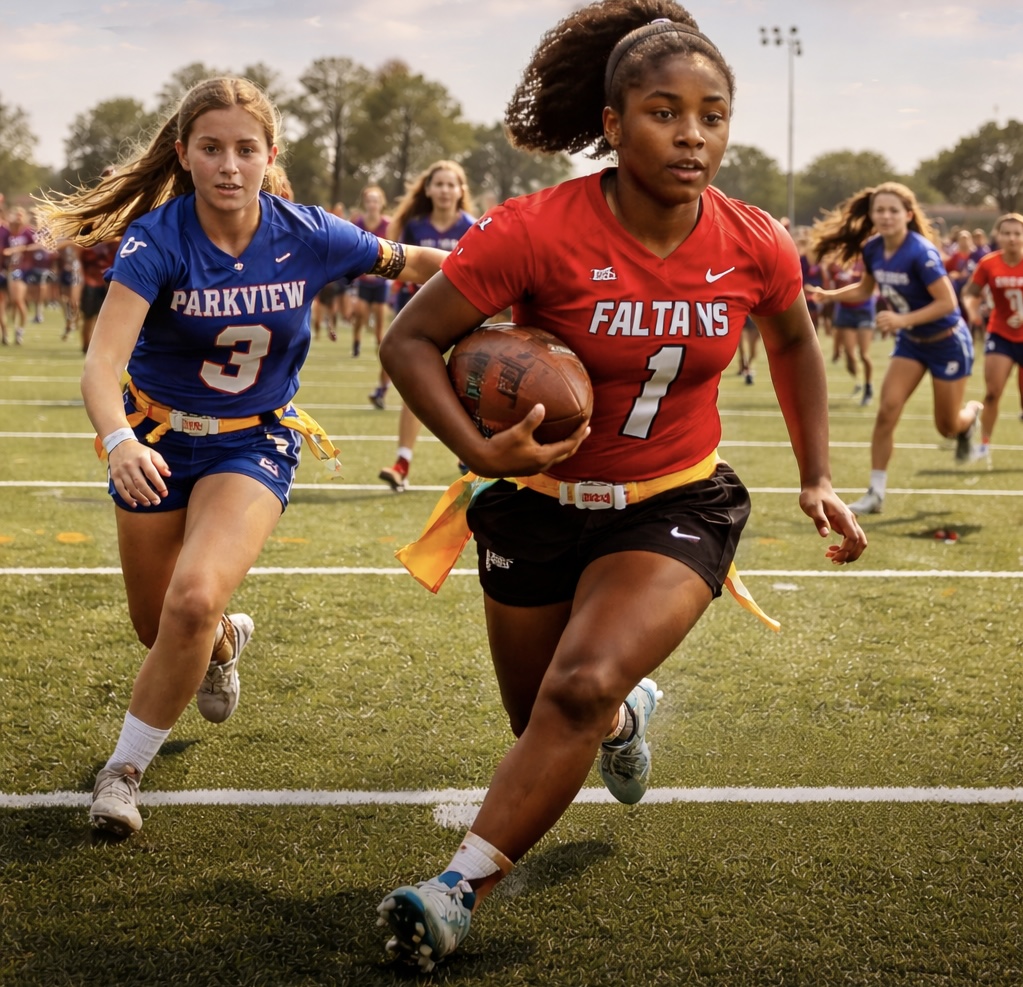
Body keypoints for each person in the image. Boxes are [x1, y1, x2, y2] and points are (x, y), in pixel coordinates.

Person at [373, 1, 867, 970]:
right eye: (663, 111)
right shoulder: (534, 230)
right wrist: (483, 450)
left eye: (712, 113)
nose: (692, 134)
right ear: (612, 122)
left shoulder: (752, 239)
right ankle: (627, 717)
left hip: (675, 499)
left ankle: (455, 889)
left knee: (580, 683)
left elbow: (799, 341)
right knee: (544, 719)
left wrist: (816, 476)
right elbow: (409, 340)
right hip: (538, 505)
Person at [37, 76, 446, 838]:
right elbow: (101, 363)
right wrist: (118, 440)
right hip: (154, 440)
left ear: (270, 155)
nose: (230, 164)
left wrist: (520, 274)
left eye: (245, 149)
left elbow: (416, 260)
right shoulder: (155, 240)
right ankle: (226, 641)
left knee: (190, 599)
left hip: (253, 441)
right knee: (160, 627)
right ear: (185, 155)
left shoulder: (312, 231)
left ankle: (122, 771)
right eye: (212, 148)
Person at [807, 183, 981, 516]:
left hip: (946, 343)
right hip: (912, 344)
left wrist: (902, 319)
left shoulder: (921, 252)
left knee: (947, 426)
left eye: (893, 210)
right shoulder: (873, 249)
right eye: (879, 210)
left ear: (908, 215)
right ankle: (876, 493)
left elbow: (948, 303)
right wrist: (831, 296)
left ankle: (970, 416)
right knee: (887, 411)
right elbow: (866, 289)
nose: (885, 216)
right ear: (872, 215)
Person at [377, 161, 476, 491]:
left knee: (472, 388)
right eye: (440, 184)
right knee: (415, 387)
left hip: (463, 319)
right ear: (429, 189)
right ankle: (402, 462)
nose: (446, 190)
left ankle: (471, 454)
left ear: (461, 191)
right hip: (422, 321)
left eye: (452, 184)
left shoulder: (473, 226)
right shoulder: (415, 227)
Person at [961, 212, 1023, 463]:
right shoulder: (988, 263)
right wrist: (973, 311)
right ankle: (984, 444)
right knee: (992, 392)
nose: (1012, 238)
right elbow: (969, 293)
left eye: (1017, 233)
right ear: (997, 235)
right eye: (1006, 233)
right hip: (1000, 333)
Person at [348, 186, 394, 406]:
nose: (373, 204)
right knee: (360, 316)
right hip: (363, 282)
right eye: (369, 200)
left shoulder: (389, 225)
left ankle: (382, 359)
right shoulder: (358, 223)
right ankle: (356, 342)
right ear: (365, 203)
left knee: (379, 330)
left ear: (381, 203)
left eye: (376, 200)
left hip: (381, 283)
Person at [828, 256, 876, 405]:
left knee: (863, 354)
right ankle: (859, 380)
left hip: (864, 310)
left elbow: (866, 287)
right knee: (849, 354)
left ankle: (868, 387)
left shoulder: (867, 261)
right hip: (845, 310)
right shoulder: (835, 264)